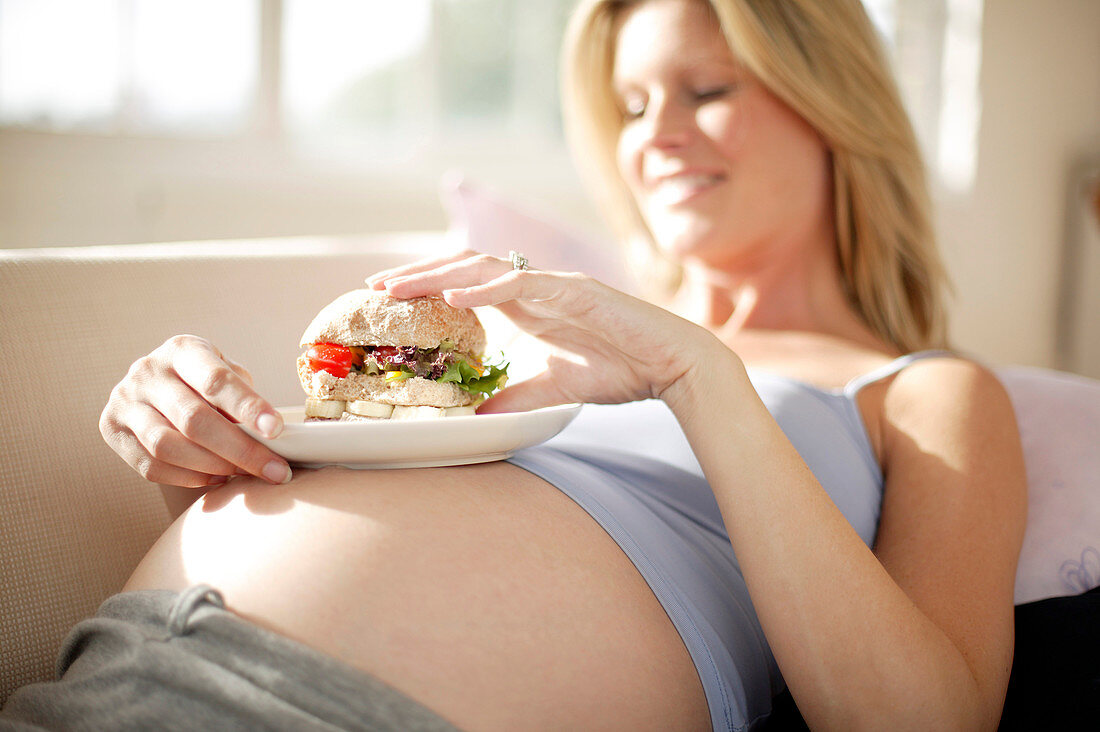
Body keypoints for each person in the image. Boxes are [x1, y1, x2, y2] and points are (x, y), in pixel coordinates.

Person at [1, 0, 1027, 730]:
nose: (654, 138)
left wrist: (698, 375)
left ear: (832, 102)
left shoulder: (925, 391)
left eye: (702, 89)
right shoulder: (539, 336)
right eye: (627, 107)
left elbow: (919, 717)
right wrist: (198, 438)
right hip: (123, 661)